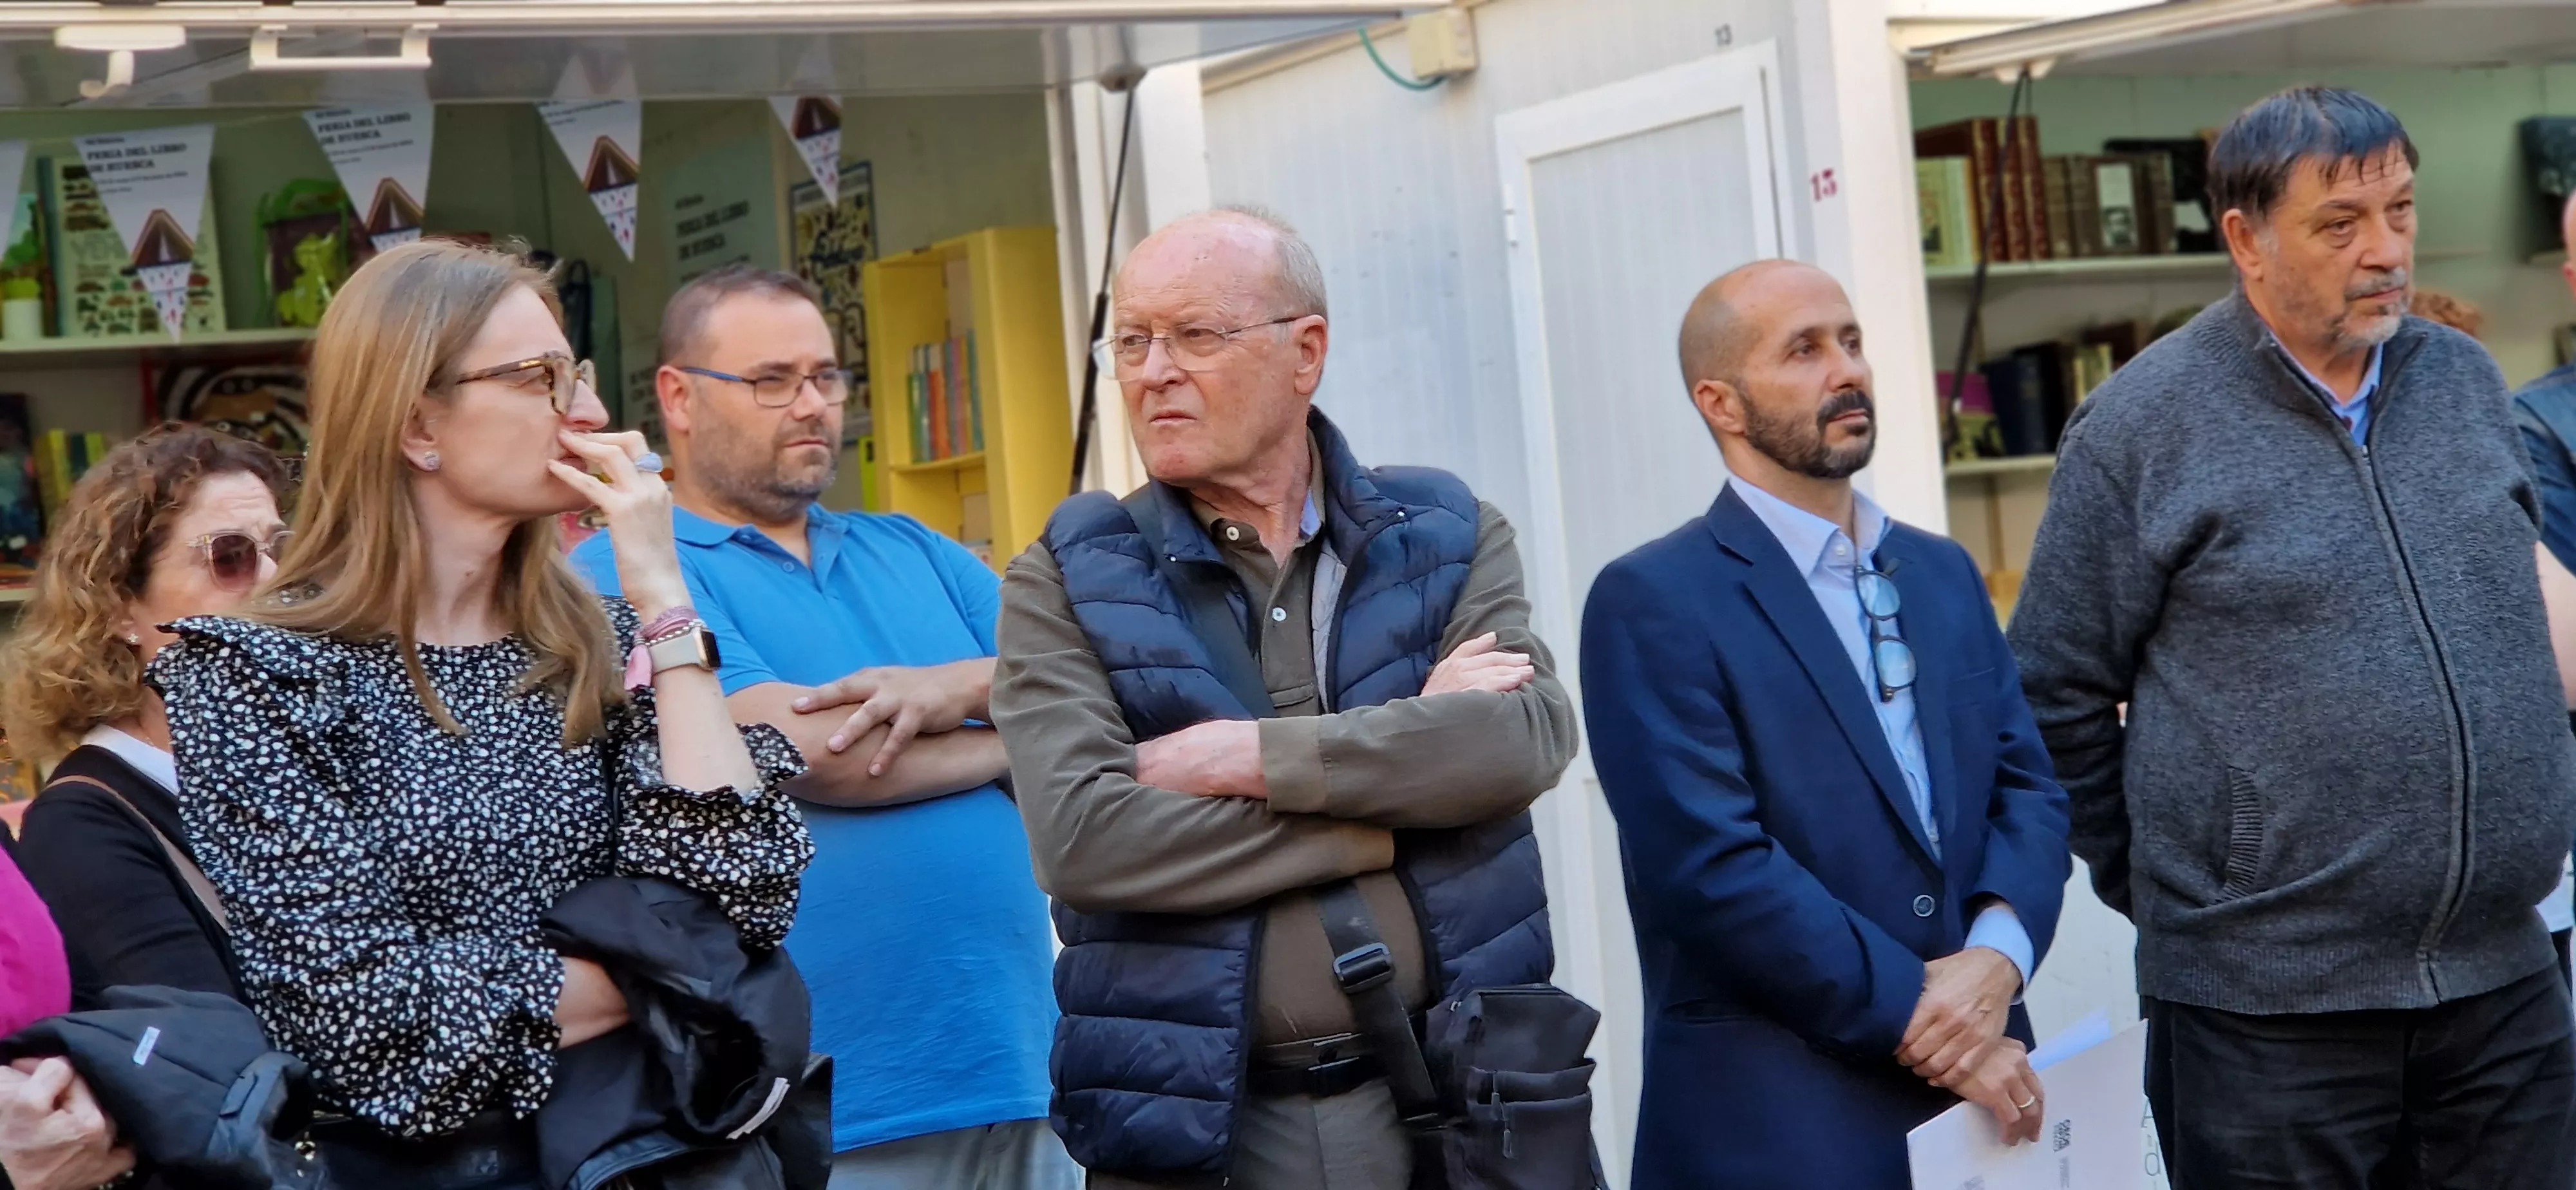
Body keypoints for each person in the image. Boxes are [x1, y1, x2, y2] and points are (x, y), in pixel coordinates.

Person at [146, 241, 813, 1187]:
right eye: (540, 378)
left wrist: (664, 591)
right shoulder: (258, 674)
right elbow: (370, 1027)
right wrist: (655, 973)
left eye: (575, 373)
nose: (586, 412)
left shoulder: (603, 641)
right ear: (419, 423)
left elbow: (743, 894)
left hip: (638, 1157)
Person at [2011, 86, 2576, 1187]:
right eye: (2341, 223)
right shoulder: (2142, 426)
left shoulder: (2461, 380)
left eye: (2402, 212)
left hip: (2502, 983)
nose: (2386, 252)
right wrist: (2205, 891)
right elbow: (2052, 694)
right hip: (2268, 1014)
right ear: (2246, 238)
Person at [990, 207, 1579, 1189]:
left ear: (1305, 352)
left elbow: (1523, 738)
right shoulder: (1064, 572)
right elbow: (1084, 838)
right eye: (1131, 342)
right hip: (1196, 1124)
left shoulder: (1441, 529)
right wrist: (1389, 805)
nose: (1152, 371)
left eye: (1196, 335)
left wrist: (1241, 758)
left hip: (1466, 1102)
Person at [570, 265, 1067, 1190]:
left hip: (1025, 1066)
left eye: (826, 377)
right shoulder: (630, 567)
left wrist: (940, 687)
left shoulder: (914, 547)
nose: (811, 405)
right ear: (677, 396)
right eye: (772, 381)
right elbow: (802, 753)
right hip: (826, 1099)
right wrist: (1010, 733)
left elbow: (1085, 683)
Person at [1580, 260, 2069, 1189]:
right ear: (1721, 403)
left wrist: (1999, 960)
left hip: (1983, 1105)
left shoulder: (1941, 572)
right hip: (1783, 1115)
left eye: (1850, 342)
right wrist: (1928, 1019)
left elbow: (2028, 788)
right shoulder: (1654, 600)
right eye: (1803, 350)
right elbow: (1711, 869)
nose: (1845, 369)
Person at [1, 424, 292, 1008]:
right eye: (230, 556)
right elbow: (211, 1062)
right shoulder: (82, 827)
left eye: (282, 550)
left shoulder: (312, 760)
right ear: (118, 607)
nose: (274, 581)